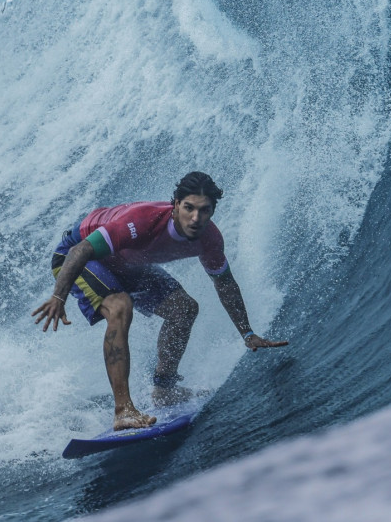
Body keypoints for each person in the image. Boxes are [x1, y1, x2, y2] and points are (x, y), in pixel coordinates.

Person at [32, 172, 288, 430]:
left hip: (127, 263)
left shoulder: (209, 240)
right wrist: (58, 297)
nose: (196, 218)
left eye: (204, 210)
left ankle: (164, 389)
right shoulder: (142, 221)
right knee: (120, 306)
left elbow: (224, 283)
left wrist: (248, 332)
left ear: (212, 211)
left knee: (184, 309)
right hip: (77, 256)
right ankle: (123, 411)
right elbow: (81, 250)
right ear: (175, 204)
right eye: (189, 208)